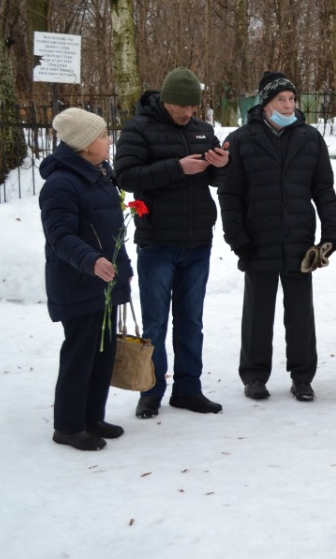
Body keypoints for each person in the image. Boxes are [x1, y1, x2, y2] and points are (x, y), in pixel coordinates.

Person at [218, 72, 336, 403]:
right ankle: (255, 375)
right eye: (280, 100)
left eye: (291, 99)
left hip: (301, 240)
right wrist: (237, 237)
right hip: (258, 238)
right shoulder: (242, 139)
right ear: (265, 104)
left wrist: (331, 231)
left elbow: (323, 189)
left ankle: (302, 377)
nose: (287, 105)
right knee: (257, 311)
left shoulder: (311, 138)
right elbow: (230, 195)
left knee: (300, 313)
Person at [114, 68, 228, 419]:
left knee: (191, 321)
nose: (187, 113)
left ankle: (188, 389)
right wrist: (176, 168)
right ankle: (150, 391)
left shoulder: (202, 130)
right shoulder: (138, 129)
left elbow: (213, 177)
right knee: (155, 324)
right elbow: (126, 176)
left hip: (197, 242)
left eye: (193, 107)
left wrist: (221, 166)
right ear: (165, 100)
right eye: (181, 106)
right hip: (157, 242)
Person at [40, 108, 131, 450]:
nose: (109, 139)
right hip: (78, 282)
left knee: (102, 353)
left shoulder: (100, 173)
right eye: (104, 134)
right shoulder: (62, 183)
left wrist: (123, 271)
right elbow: (59, 236)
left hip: (104, 281)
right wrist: (90, 260)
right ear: (83, 143)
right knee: (80, 354)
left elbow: (110, 230)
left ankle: (92, 417)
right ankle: (68, 426)